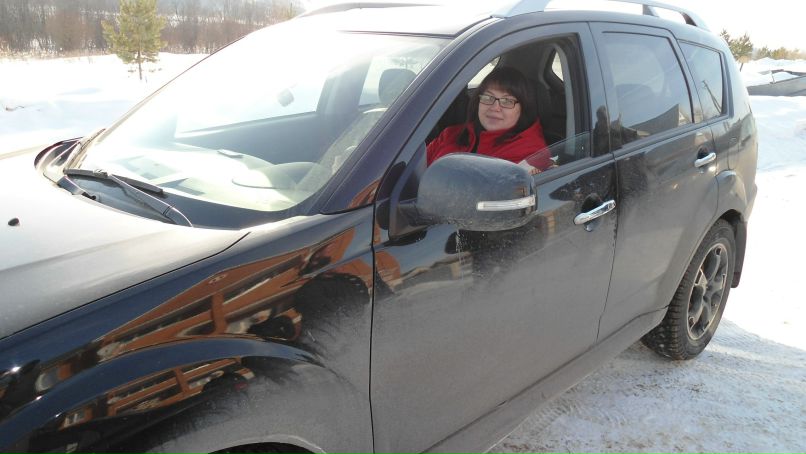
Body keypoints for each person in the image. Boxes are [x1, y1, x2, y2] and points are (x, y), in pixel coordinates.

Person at [426, 66, 553, 173]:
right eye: (488, 97)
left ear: (523, 109)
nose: (495, 107)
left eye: (507, 101)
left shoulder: (532, 154)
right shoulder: (450, 135)